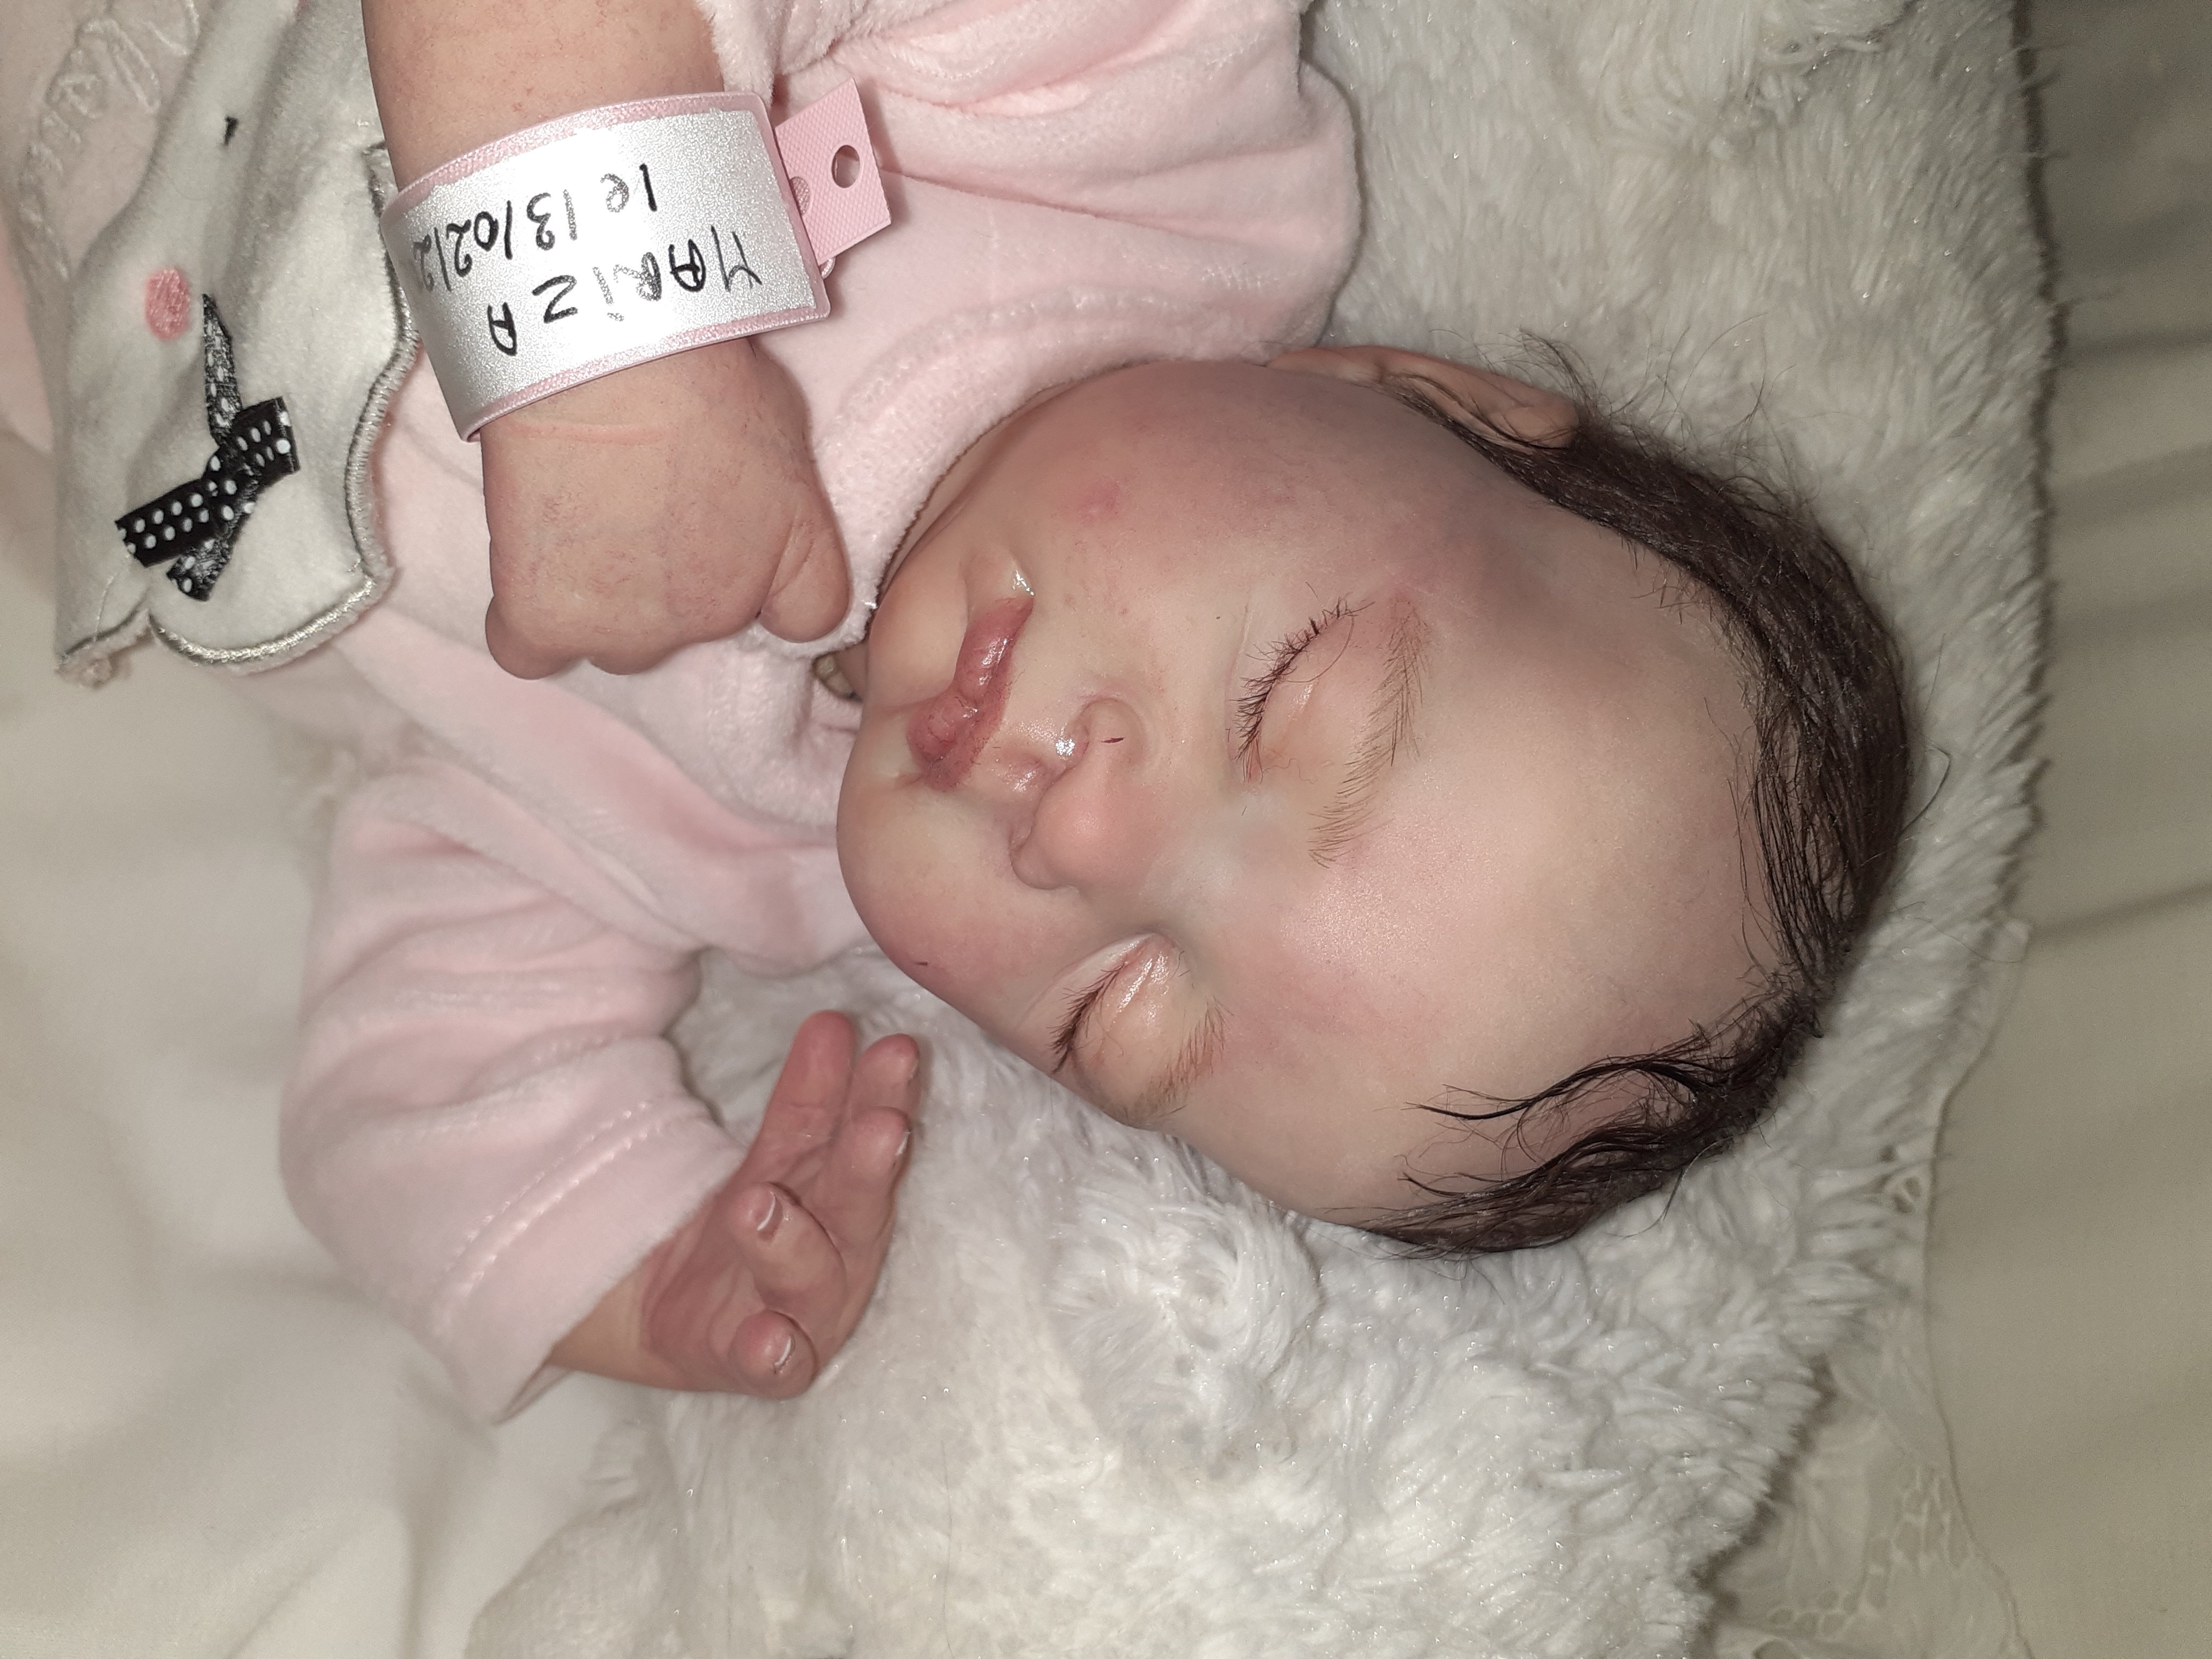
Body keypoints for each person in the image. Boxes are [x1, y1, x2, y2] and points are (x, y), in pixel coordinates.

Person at [39, 0, 1910, 1420]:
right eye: (1284, 706)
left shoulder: (723, 849)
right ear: (1430, 397)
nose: (1080, 833)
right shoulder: (1117, 109)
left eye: (1115, 1006)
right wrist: (612, 339)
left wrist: (646, 1266)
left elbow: (420, 1081)